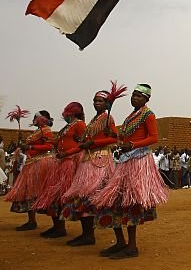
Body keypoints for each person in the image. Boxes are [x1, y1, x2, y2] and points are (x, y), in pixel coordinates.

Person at [91, 84, 168, 259]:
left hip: (138, 162)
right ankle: (120, 242)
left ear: (147, 99)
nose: (135, 98)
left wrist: (132, 145)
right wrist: (116, 138)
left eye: (139, 96)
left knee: (128, 202)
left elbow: (153, 137)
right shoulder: (131, 117)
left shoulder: (148, 114)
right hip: (125, 162)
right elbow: (124, 138)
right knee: (111, 201)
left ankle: (132, 246)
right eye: (133, 95)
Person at [61, 87, 121, 246]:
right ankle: (87, 234)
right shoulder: (95, 120)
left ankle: (92, 235)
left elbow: (113, 139)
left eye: (100, 101)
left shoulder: (108, 119)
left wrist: (93, 142)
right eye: (95, 100)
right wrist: (76, 144)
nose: (96, 103)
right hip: (88, 160)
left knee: (94, 196)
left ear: (107, 103)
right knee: (82, 197)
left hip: (100, 160)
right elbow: (85, 143)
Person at [34, 103, 87, 238]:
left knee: (69, 197)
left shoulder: (80, 125)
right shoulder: (68, 126)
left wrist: (67, 153)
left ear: (72, 113)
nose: (64, 115)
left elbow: (83, 144)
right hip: (60, 162)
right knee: (54, 196)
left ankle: (85, 233)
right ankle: (58, 227)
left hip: (71, 163)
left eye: (67, 113)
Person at [5, 111, 57, 230]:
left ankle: (54, 225)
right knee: (29, 191)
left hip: (40, 163)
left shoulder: (46, 130)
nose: (34, 119)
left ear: (42, 119)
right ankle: (32, 221)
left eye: (36, 117)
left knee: (36, 191)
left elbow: (49, 146)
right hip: (31, 163)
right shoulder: (38, 131)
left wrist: (31, 147)